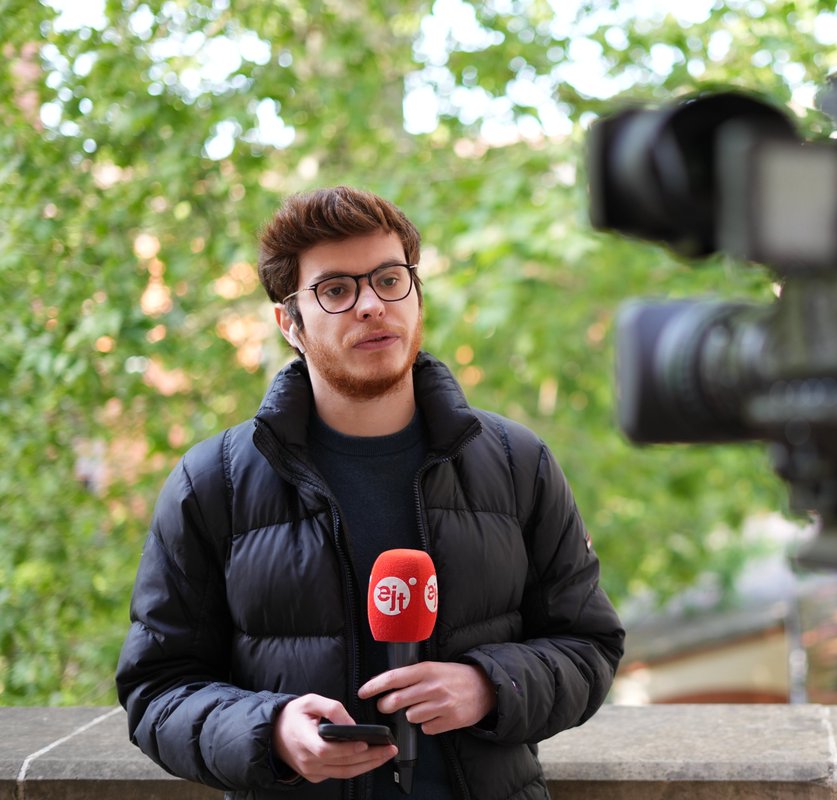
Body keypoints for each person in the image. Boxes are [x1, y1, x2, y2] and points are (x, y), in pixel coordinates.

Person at [115, 185, 625, 800]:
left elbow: (590, 646)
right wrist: (270, 731)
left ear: (416, 296)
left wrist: (491, 685)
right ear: (290, 323)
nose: (371, 306)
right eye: (335, 290)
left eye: (389, 279)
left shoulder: (519, 463)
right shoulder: (212, 483)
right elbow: (157, 689)